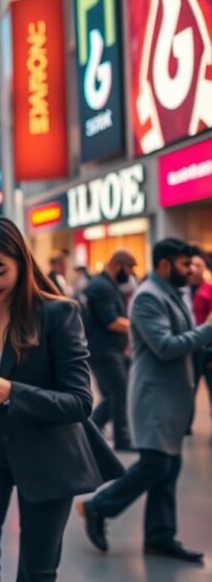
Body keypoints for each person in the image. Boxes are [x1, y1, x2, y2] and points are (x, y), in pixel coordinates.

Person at [0, 217, 122, 582]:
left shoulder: (58, 313)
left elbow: (80, 402)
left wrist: (13, 392)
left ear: (21, 263)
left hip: (45, 452)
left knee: (37, 572)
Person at [80, 239, 212, 564]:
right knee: (155, 465)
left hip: (171, 397)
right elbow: (165, 346)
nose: (190, 270)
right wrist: (208, 331)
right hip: (155, 397)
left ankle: (159, 535)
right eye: (184, 264)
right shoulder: (148, 297)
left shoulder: (172, 293)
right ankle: (98, 507)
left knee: (169, 466)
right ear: (165, 264)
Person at [84, 250, 136, 451]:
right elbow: (111, 321)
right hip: (104, 350)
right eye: (130, 268)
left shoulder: (106, 284)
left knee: (114, 393)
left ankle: (90, 430)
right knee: (120, 391)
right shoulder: (102, 286)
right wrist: (138, 326)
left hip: (108, 349)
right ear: (118, 264)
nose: (131, 273)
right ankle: (120, 438)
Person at [190, 250, 212, 432]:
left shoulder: (209, 289)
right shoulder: (181, 290)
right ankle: (185, 425)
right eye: (192, 265)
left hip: (208, 346)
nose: (194, 268)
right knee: (189, 388)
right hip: (190, 346)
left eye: (198, 265)